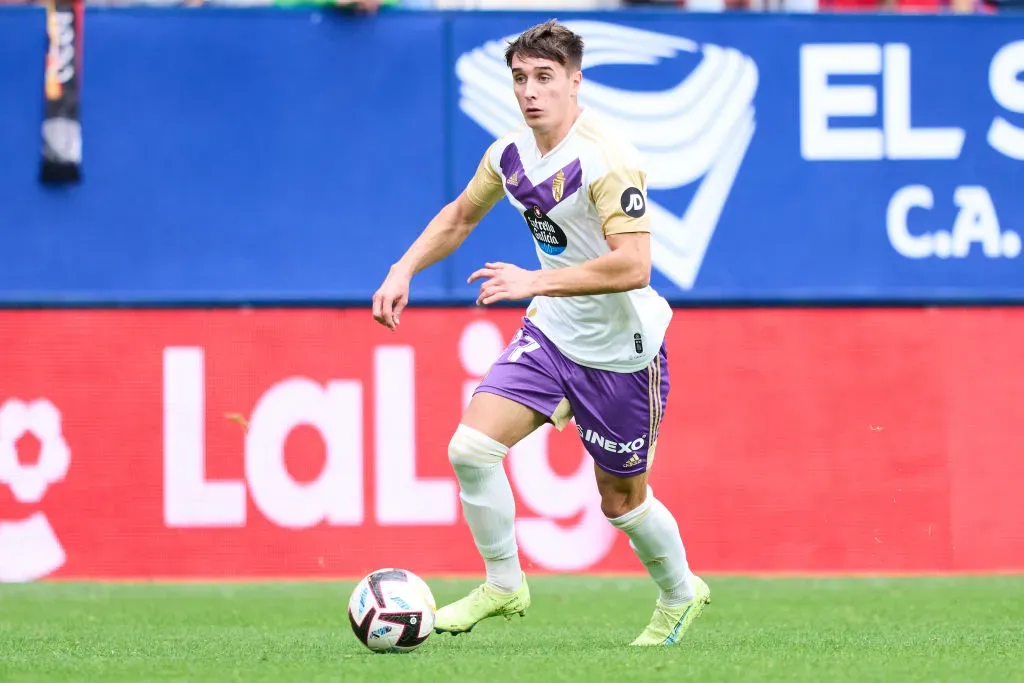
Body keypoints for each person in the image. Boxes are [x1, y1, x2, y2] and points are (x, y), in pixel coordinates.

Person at [371, 18, 710, 647]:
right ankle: (503, 584)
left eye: (545, 78)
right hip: (553, 333)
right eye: (520, 78)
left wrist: (534, 281)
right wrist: (403, 268)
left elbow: (635, 266)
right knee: (470, 449)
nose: (530, 91)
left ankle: (681, 593)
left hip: (621, 350)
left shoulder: (608, 158)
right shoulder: (509, 154)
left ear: (575, 82)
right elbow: (461, 216)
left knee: (622, 501)